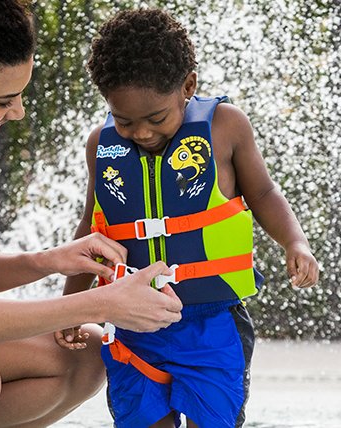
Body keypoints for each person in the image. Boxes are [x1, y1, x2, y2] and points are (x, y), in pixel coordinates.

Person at [55, 8, 319, 428]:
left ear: (188, 86)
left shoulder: (226, 128)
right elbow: (91, 231)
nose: (141, 133)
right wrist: (70, 307)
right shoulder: (99, 146)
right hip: (131, 327)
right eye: (124, 121)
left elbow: (265, 193)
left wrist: (295, 242)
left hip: (211, 324)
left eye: (156, 118)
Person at [0, 1, 183, 427]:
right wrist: (104, 300)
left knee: (82, 358)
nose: (18, 112)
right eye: (2, 100)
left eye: (20, 95)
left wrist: (54, 259)